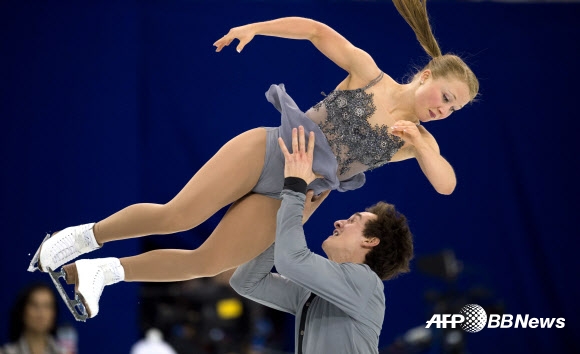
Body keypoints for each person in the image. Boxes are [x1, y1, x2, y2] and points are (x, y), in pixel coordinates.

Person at [28, 0, 477, 319]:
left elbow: (447, 184)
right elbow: (317, 30)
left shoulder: (415, 141)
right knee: (177, 215)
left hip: (295, 197)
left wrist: (422, 147)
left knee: (207, 262)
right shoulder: (370, 74)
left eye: (454, 110)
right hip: (268, 150)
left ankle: (98, 273)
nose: (444, 110)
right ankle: (82, 238)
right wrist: (257, 27)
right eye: (446, 97)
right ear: (425, 76)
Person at [230, 127, 414, 354]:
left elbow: (292, 260)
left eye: (352, 221)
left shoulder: (365, 282)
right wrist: (295, 219)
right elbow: (247, 282)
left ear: (370, 240)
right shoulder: (315, 293)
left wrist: (296, 187)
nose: (338, 222)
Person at [0, 283, 65, 354]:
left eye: (47, 306)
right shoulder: (5, 352)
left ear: (54, 313)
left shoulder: (63, 352)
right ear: (23, 311)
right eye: (34, 305)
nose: (41, 313)